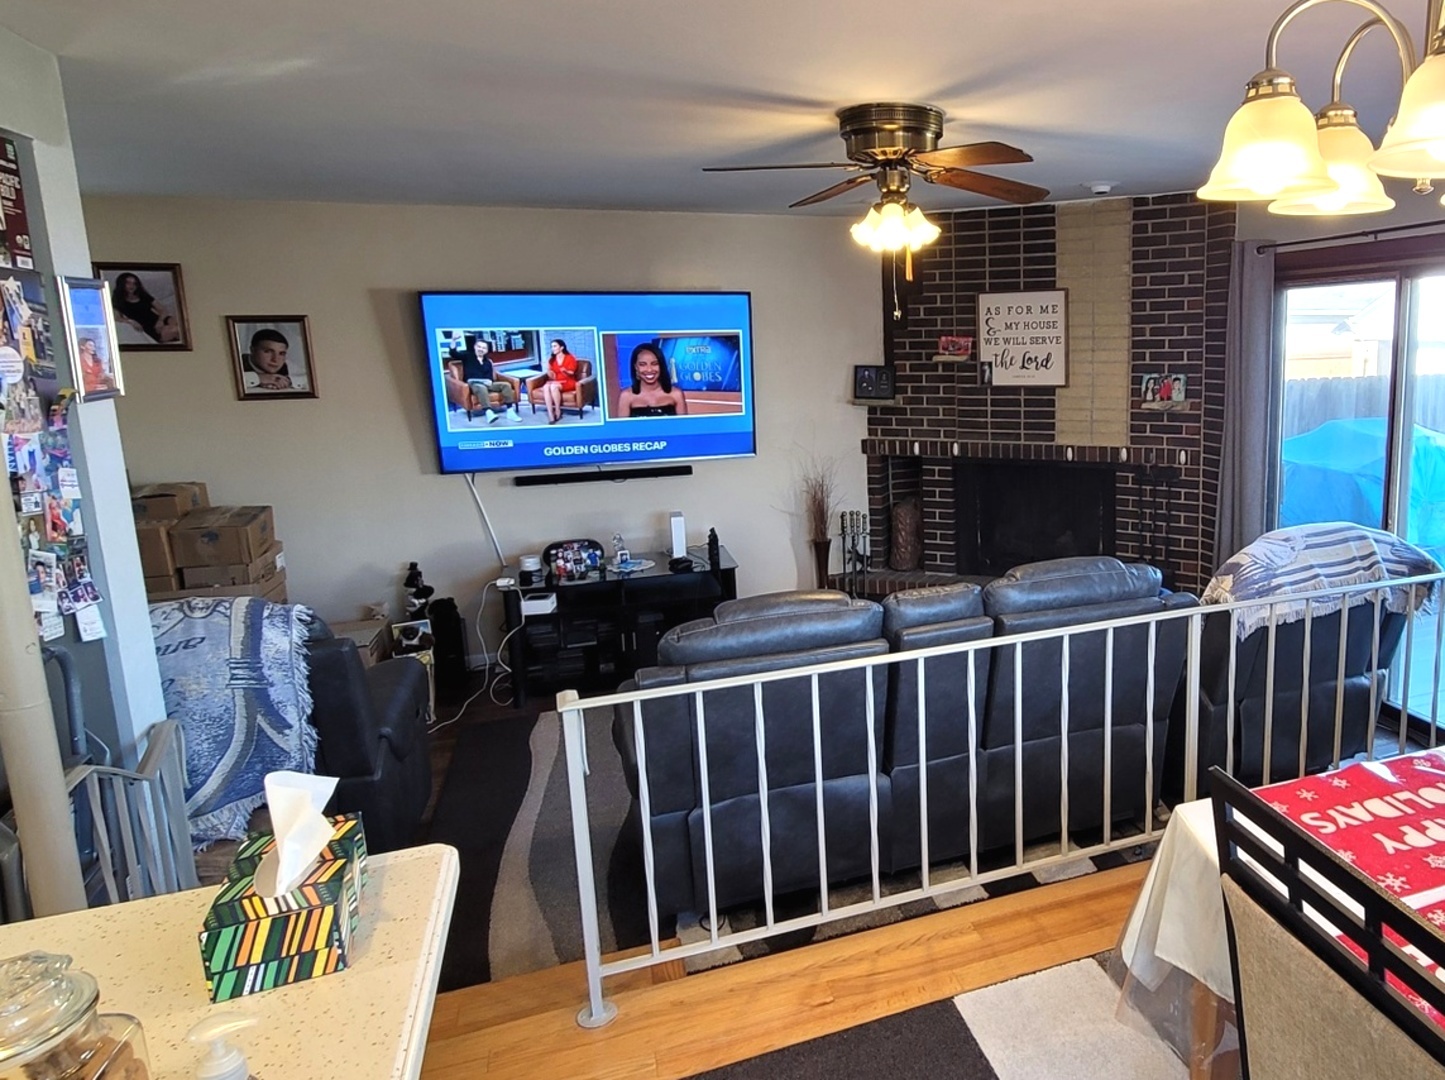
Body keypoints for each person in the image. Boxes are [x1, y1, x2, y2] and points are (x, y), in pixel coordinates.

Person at [616, 342, 687, 418]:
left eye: (654, 364)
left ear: (661, 365)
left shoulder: (676, 394)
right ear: (636, 367)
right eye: (642, 364)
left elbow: (684, 428)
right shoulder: (626, 396)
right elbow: (622, 429)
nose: (649, 369)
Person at [459, 336, 520, 424]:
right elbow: (453, 353)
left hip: (487, 383)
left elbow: (490, 377)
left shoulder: (487, 361)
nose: (481, 349)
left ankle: (510, 411)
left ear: (486, 350)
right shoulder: (468, 357)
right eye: (479, 347)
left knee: (506, 385)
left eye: (483, 348)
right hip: (474, 383)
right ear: (475, 347)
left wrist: (490, 381)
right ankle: (489, 412)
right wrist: (454, 340)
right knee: (481, 387)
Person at [111, 273, 181, 344]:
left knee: (176, 322)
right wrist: (131, 321)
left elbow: (162, 309)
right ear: (121, 284)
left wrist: (160, 321)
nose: (132, 286)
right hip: (149, 328)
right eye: (128, 283)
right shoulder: (118, 300)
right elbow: (117, 318)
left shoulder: (144, 296)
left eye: (134, 283)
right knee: (176, 330)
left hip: (158, 320)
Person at [539, 338, 580, 424]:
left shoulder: (570, 358)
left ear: (561, 348)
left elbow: (571, 373)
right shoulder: (552, 360)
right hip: (557, 381)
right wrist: (548, 370)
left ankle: (558, 410)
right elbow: (553, 377)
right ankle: (550, 414)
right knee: (546, 387)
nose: (552, 348)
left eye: (554, 346)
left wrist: (564, 370)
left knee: (553, 386)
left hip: (568, 381)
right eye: (551, 346)